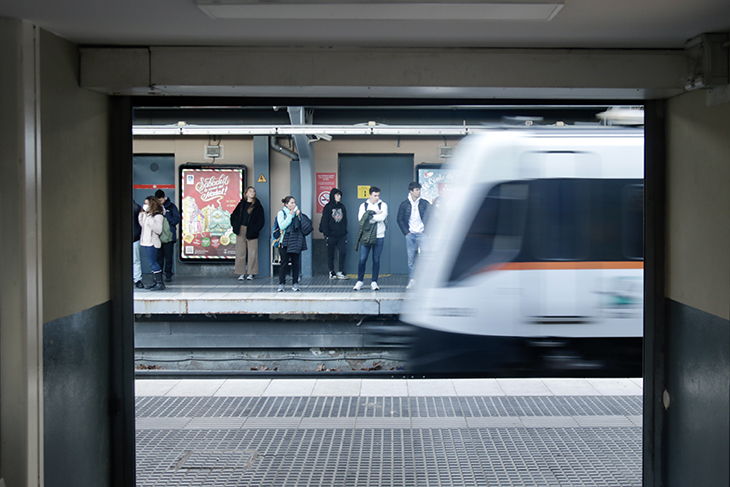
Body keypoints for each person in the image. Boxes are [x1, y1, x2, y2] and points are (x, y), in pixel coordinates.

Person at [397, 181, 431, 290]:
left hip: (422, 234)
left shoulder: (425, 203)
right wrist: (406, 232)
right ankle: (413, 280)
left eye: (419, 190)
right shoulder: (404, 204)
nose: (419, 192)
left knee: (425, 257)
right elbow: (400, 219)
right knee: (411, 259)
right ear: (411, 191)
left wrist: (426, 231)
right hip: (410, 235)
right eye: (416, 190)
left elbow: (432, 217)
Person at [353, 187, 388, 291]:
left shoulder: (383, 205)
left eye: (378, 195)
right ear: (370, 195)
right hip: (366, 236)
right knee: (362, 259)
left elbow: (382, 218)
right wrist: (375, 216)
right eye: (375, 195)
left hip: (379, 235)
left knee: (376, 259)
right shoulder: (363, 206)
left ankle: (374, 282)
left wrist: (369, 217)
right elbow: (361, 220)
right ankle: (360, 281)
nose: (377, 198)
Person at [231, 186, 265, 280]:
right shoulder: (241, 204)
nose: (252, 193)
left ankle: (251, 273)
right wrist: (235, 227)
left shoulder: (257, 205)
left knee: (252, 252)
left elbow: (261, 220)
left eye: (253, 191)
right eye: (250, 191)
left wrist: (255, 229)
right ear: (246, 193)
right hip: (241, 229)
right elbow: (233, 216)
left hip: (252, 230)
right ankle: (240, 272)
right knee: (240, 252)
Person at [277, 196, 307, 292]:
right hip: (284, 242)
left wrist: (299, 216)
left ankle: (295, 283)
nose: (293, 205)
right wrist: (290, 216)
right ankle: (282, 283)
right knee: (284, 263)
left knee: (296, 263)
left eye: (294, 203)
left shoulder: (297, 213)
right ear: (286, 204)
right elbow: (282, 225)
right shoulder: (281, 213)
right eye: (291, 203)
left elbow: (303, 226)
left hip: (295, 241)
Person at [319, 187, 349, 279]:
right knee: (330, 254)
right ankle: (331, 271)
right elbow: (325, 221)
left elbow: (344, 220)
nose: (339, 197)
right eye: (337, 195)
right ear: (332, 196)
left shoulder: (342, 207)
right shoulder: (327, 208)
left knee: (343, 252)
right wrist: (326, 235)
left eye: (340, 195)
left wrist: (344, 232)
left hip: (341, 235)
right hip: (331, 235)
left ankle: (341, 271)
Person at [138, 196, 166, 291]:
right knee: (151, 263)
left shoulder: (158, 215)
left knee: (153, 262)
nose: (145, 205)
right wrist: (142, 215)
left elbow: (158, 230)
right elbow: (143, 225)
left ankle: (160, 283)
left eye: (147, 203)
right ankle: (155, 282)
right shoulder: (148, 214)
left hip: (153, 242)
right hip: (146, 241)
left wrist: (149, 219)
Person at [154, 189, 181, 282]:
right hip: (158, 236)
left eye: (161, 200)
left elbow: (177, 218)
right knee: (158, 257)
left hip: (169, 236)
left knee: (168, 257)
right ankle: (159, 275)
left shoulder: (171, 206)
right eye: (158, 200)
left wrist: (168, 221)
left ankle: (168, 274)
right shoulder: (155, 207)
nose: (159, 202)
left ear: (164, 198)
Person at [133, 200, 144, 289]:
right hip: (135, 237)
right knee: (136, 260)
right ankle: (137, 280)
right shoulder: (137, 207)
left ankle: (136, 279)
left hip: (131, 238)